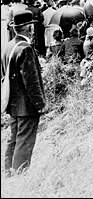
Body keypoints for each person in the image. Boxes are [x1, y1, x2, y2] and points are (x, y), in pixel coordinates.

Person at [2, 10, 47, 175]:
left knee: (13, 139)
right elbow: (32, 82)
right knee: (25, 142)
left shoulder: (8, 47)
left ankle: (8, 172)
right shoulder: (26, 49)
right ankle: (20, 175)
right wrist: (40, 104)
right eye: (31, 26)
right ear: (29, 28)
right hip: (27, 105)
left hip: (12, 104)